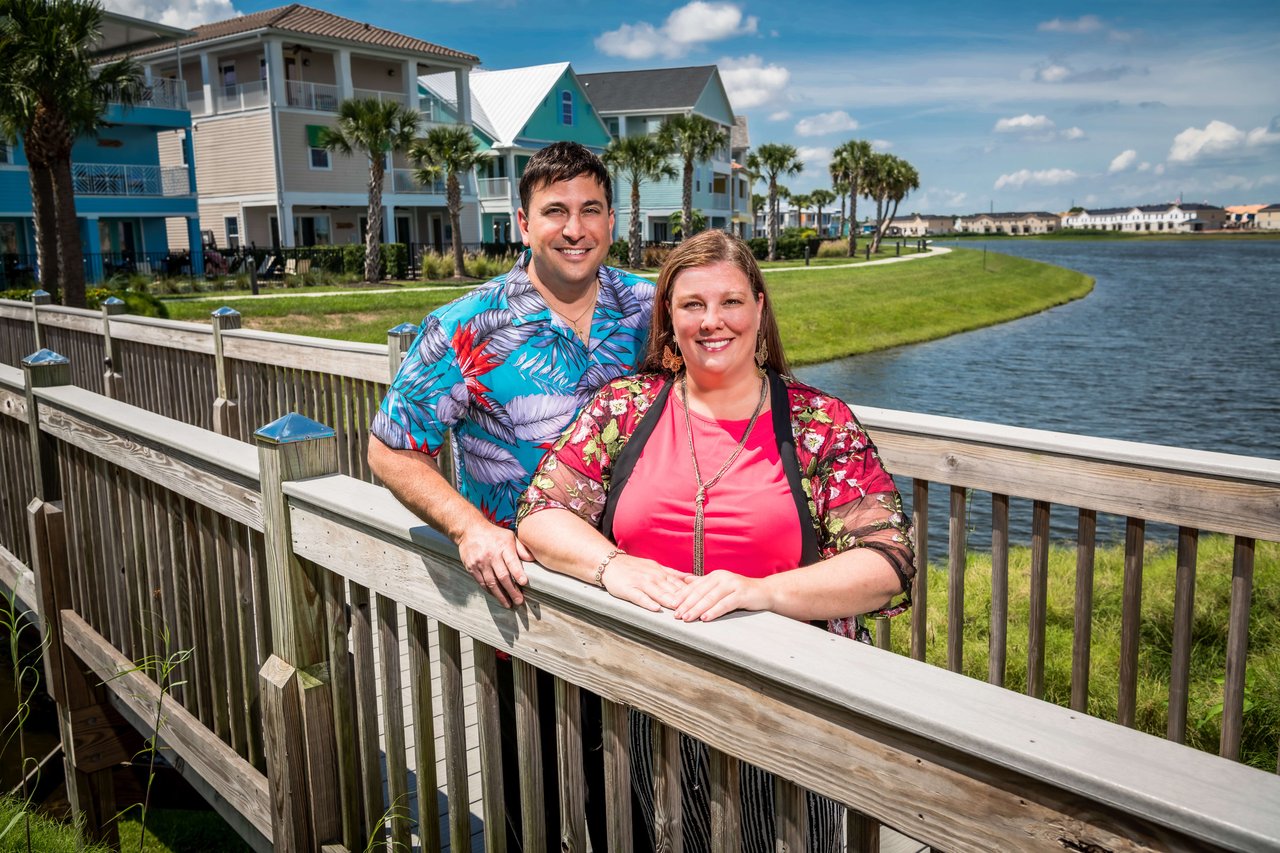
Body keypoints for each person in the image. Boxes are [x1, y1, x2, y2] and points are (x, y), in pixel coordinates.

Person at [516, 229, 914, 850]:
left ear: (759, 306)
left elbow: (887, 560)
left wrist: (762, 591)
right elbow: (542, 512)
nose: (712, 322)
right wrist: (610, 566)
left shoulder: (817, 422)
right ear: (668, 319)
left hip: (784, 707)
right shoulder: (625, 407)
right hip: (644, 700)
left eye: (730, 302)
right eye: (691, 305)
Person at [368, 141, 654, 846]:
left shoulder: (651, 307)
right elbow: (389, 444)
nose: (574, 226)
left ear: (612, 220)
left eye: (591, 209)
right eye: (554, 210)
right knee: (537, 811)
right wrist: (469, 527)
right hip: (530, 617)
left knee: (645, 813)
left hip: (645, 606)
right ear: (522, 224)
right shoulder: (467, 325)